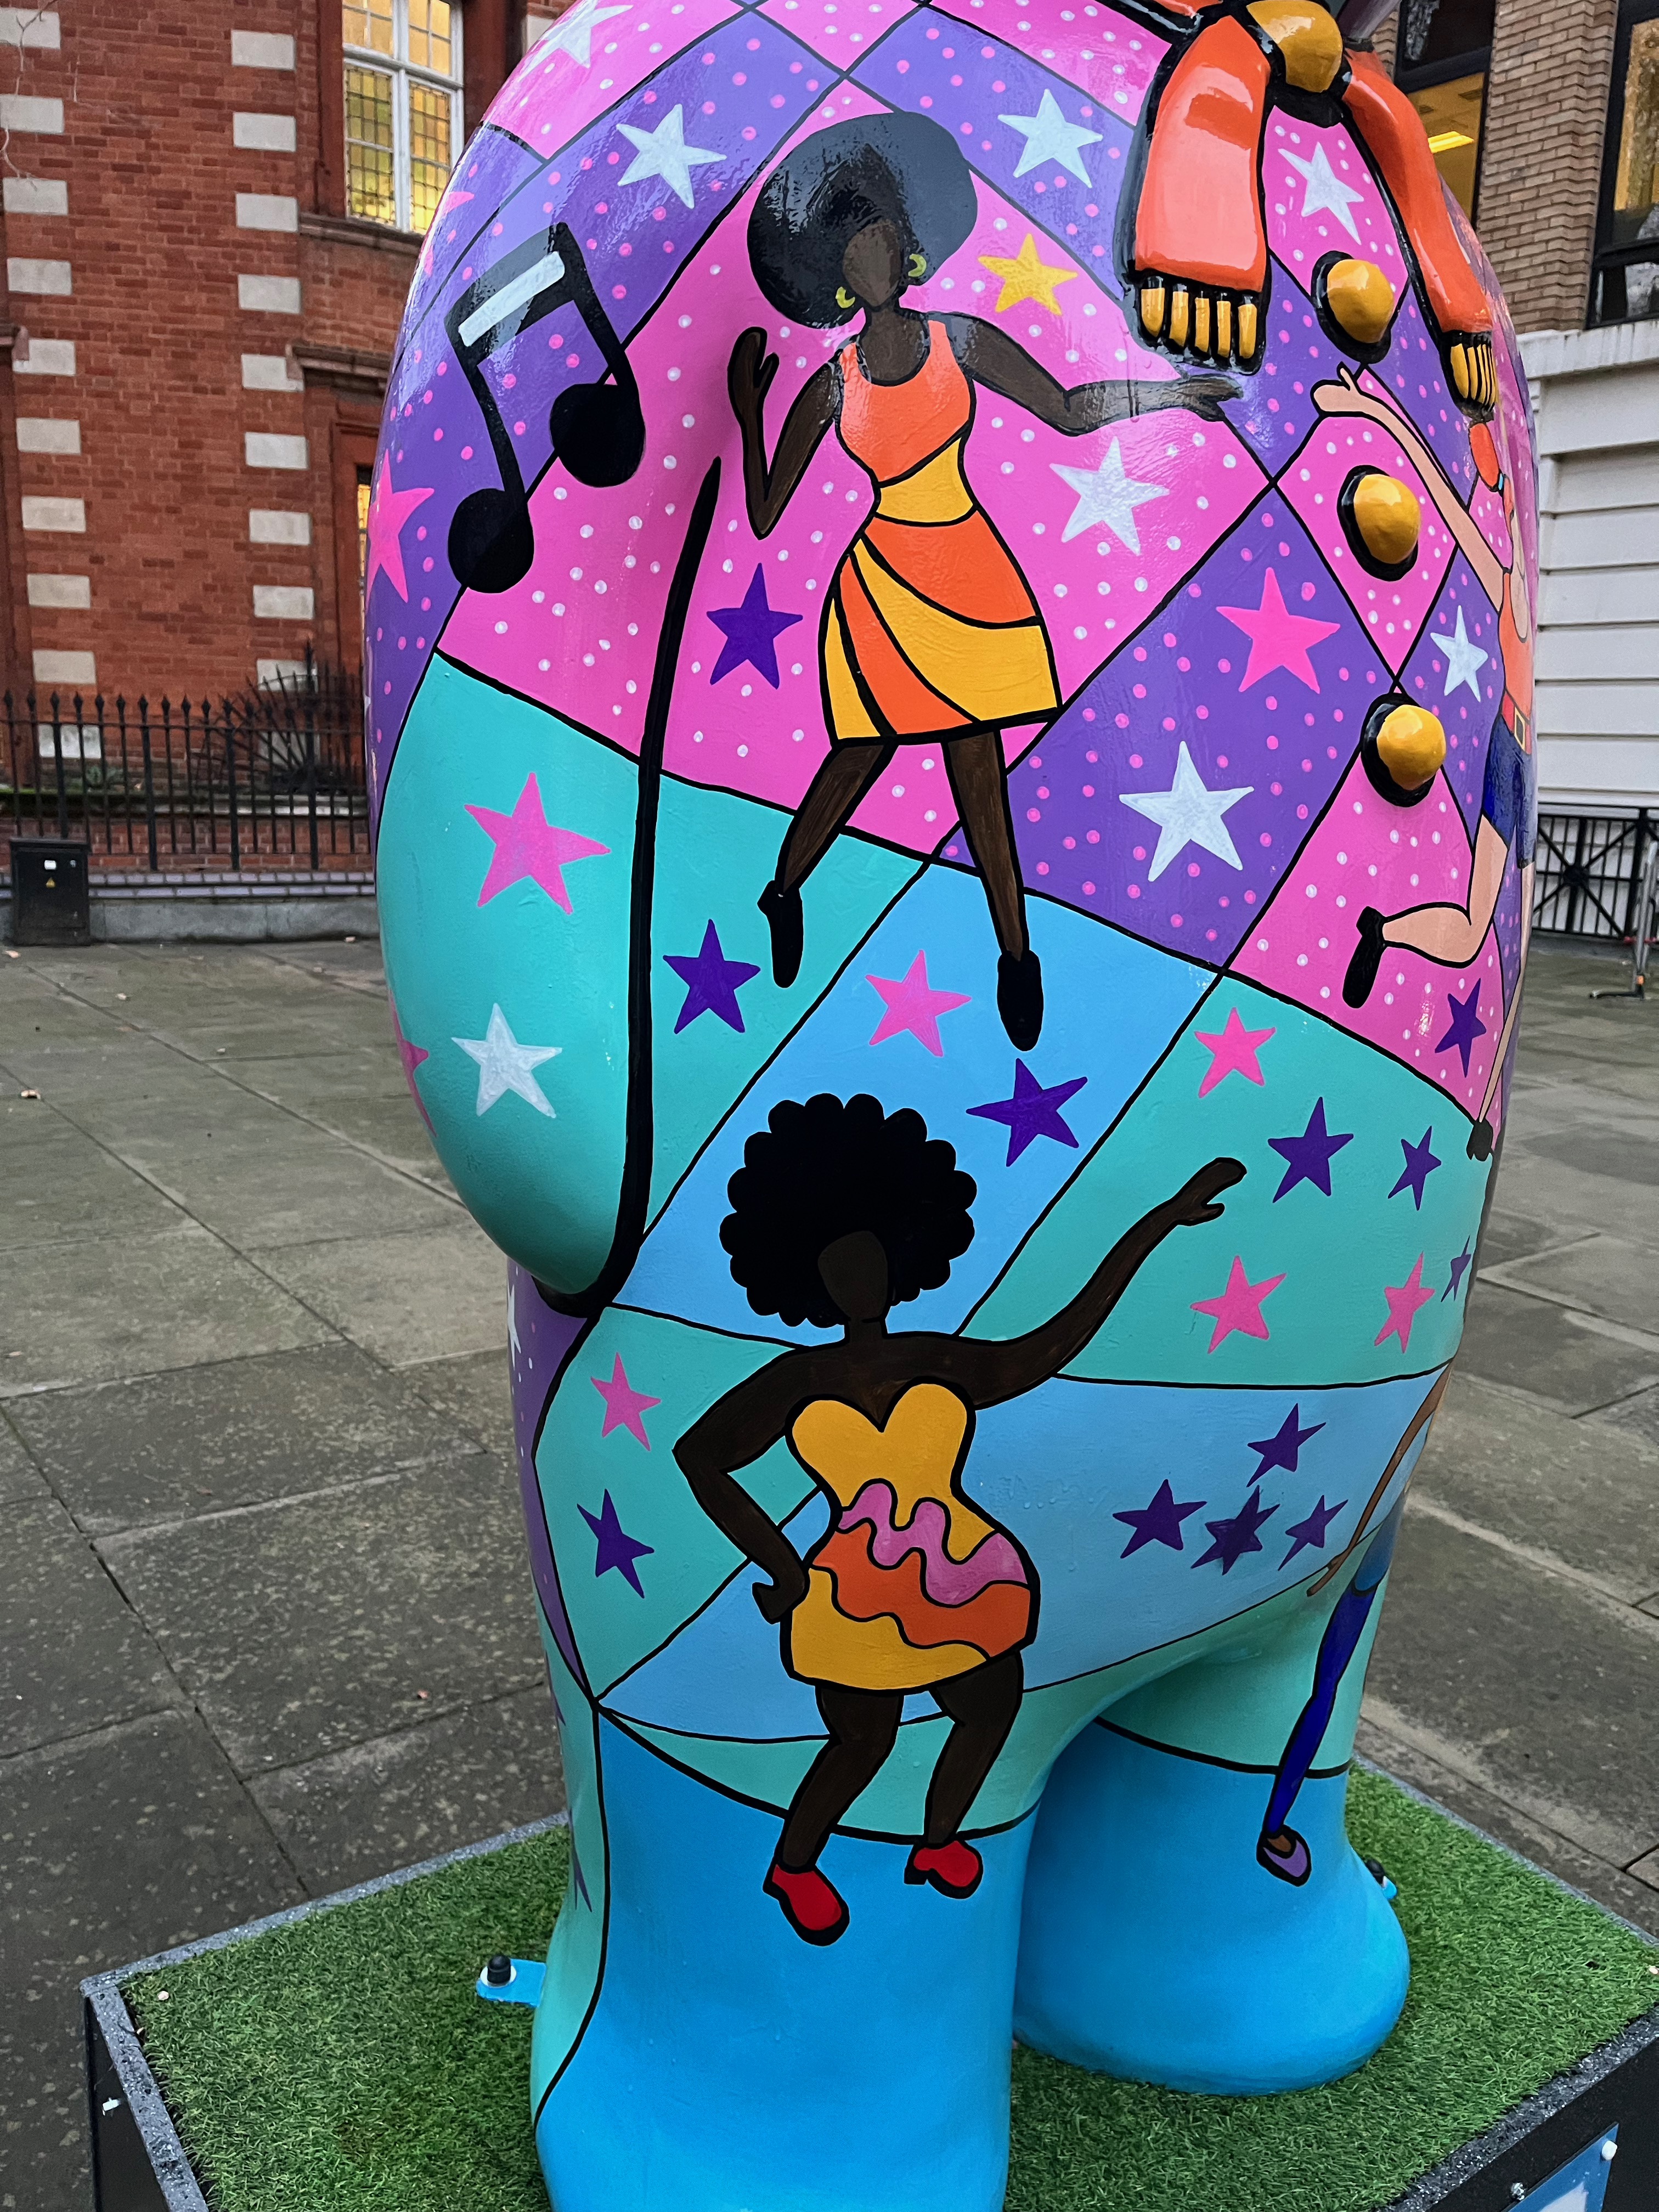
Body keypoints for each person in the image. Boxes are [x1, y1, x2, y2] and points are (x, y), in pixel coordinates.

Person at [674, 1088, 1244, 1944]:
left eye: (868, 1257)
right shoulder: (794, 1382)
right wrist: (784, 1568)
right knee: (861, 1742)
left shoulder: (938, 1360)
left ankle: (937, 1842)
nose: (856, 1274)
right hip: (850, 1587)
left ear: (902, 1256)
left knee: (990, 1705)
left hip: (962, 1572)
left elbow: (1062, 1338)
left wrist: (1154, 1226)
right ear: (808, 1277)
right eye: (837, 1263)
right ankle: (794, 1866)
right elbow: (700, 1458)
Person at [730, 114, 1232, 1051]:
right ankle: (784, 886)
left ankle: (1014, 958)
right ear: (843, 274)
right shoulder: (833, 383)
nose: (874, 253)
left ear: (904, 246)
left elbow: (1067, 410)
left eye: (881, 232)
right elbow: (763, 512)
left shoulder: (959, 341)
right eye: (854, 244)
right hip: (880, 586)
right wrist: (746, 413)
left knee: (978, 772)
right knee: (858, 759)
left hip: (967, 569)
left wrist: (1163, 395)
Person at [1316, 368, 1534, 1159]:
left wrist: (1376, 409)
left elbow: (1447, 497)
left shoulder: (1509, 578)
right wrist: (1376, 408)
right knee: (1485, 928)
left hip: (1508, 758)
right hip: (1506, 756)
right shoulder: (1507, 582)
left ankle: (1385, 932)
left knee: (1490, 932)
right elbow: (1442, 499)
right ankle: (1388, 935)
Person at [1256, 1369, 1446, 1884]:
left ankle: (1275, 1825)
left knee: (1320, 1685)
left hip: (1345, 1542)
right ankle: (1273, 1826)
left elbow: (1410, 1430)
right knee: (1320, 1685)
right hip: (1344, 1540)